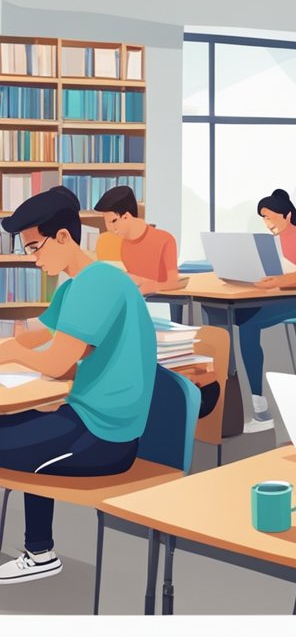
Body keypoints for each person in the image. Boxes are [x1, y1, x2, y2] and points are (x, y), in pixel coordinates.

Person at [0, 187, 156, 584]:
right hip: (85, 417)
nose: (33, 259)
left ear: (64, 237)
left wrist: (15, 353)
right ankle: (39, 550)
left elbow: (54, 364)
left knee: (24, 430)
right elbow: (36, 333)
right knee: (25, 424)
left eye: (35, 247)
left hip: (105, 437)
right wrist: (9, 349)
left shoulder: (98, 284)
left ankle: (39, 553)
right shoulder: (76, 284)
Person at [200, 190, 296, 432]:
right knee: (223, 316)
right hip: (273, 298)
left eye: (271, 217)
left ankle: (260, 408)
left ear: (287, 215)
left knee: (247, 325)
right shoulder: (269, 242)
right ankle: (228, 393)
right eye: (264, 219)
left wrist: (278, 281)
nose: (268, 224)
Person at [94, 185, 180, 297]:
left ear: (127, 216)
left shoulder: (164, 240)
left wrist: (147, 285)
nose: (109, 228)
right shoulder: (109, 242)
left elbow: (173, 282)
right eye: (106, 222)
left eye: (113, 221)